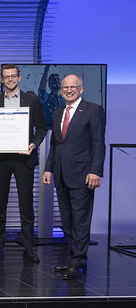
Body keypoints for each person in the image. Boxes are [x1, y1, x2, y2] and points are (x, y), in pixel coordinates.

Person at [0, 64, 47, 262]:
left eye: (13, 76)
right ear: (1, 80)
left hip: (23, 158)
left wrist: (33, 145)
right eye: (5, 77)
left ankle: (28, 248)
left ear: (19, 78)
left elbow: (42, 128)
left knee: (26, 205)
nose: (9, 80)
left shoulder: (32, 100)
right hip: (1, 159)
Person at [42, 74, 105, 280]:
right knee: (67, 222)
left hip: (83, 175)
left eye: (73, 87)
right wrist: (48, 168)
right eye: (65, 87)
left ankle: (79, 262)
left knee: (80, 221)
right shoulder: (58, 111)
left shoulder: (94, 110)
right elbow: (55, 144)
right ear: (61, 90)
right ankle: (73, 259)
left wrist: (96, 171)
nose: (69, 90)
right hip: (60, 174)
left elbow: (98, 143)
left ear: (81, 89)